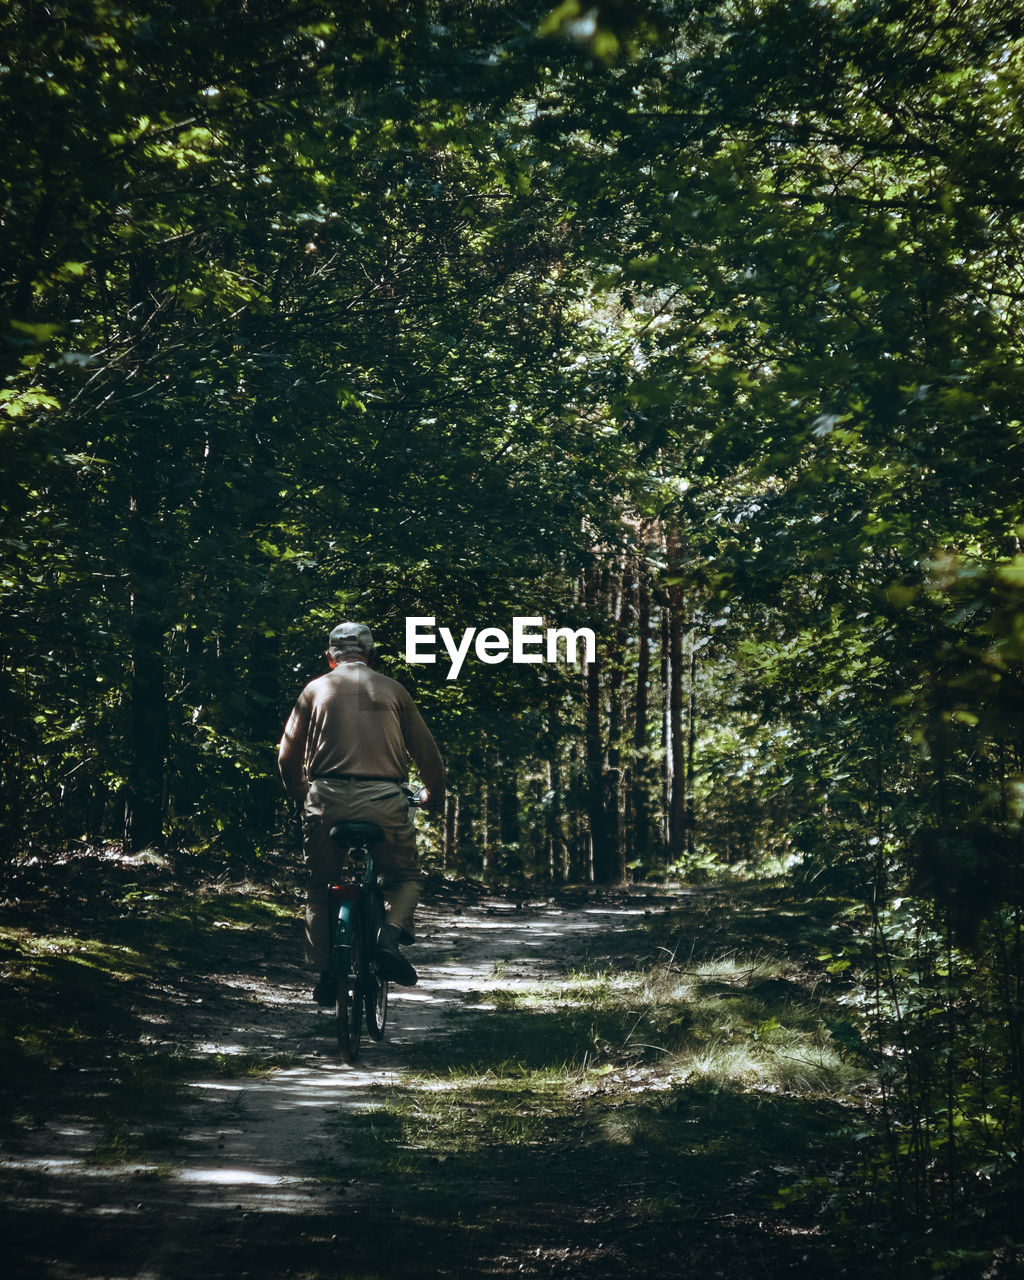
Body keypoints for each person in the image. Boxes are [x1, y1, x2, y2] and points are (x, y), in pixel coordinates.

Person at [277, 620, 445, 998]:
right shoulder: (393, 690)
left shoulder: (314, 690)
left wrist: (301, 792)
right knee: (404, 879)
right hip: (384, 800)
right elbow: (428, 755)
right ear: (371, 655)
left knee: (321, 887)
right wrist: (433, 792)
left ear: (329, 657)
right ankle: (387, 941)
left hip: (327, 799)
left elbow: (287, 756)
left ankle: (325, 976)